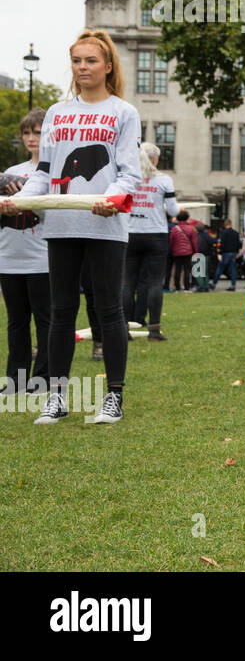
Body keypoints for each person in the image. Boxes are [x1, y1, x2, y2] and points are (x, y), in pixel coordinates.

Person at [1, 30, 142, 424]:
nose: (83, 67)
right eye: (77, 61)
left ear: (108, 66)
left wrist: (110, 200)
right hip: (61, 225)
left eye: (91, 61)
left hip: (105, 226)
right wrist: (21, 200)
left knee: (109, 309)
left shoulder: (123, 113)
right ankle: (56, 397)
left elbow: (129, 173)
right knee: (62, 311)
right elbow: (44, 173)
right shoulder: (57, 113)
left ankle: (113, 396)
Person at [1, 109, 50, 393]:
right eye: (27, 133)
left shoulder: (52, 173)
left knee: (46, 321)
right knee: (16, 323)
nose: (32, 138)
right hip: (8, 256)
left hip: (42, 257)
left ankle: (43, 379)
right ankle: (16, 380)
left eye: (38, 132)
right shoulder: (10, 172)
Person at [123, 142, 178, 341]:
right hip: (156, 234)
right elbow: (173, 211)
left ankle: (124, 328)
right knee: (155, 282)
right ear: (154, 159)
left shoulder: (128, 179)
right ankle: (154, 329)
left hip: (130, 233)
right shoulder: (163, 180)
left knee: (127, 283)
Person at [215, 218, 241, 290]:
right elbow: (238, 244)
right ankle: (233, 285)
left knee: (220, 269)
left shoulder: (223, 233)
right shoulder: (236, 233)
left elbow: (221, 243)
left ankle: (214, 283)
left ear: (225, 224)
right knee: (232, 270)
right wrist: (236, 252)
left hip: (225, 253)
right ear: (231, 223)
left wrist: (219, 253)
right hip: (233, 253)